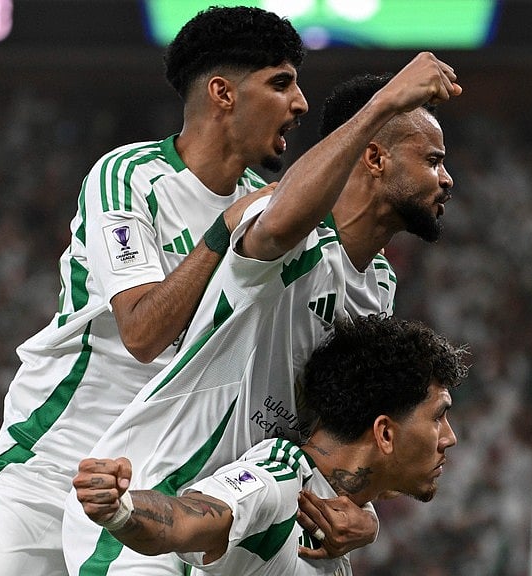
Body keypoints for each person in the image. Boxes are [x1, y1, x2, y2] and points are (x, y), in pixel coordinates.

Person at [0, 6, 308, 575]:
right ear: (223, 93)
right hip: (51, 469)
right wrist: (223, 230)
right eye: (281, 83)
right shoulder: (128, 177)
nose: (300, 102)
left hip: (154, 492)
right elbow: (141, 332)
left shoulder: (274, 216)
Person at [62, 52, 462, 576]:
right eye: (431, 160)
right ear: (374, 157)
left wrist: (363, 514)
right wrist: (386, 102)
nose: (448, 179)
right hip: (149, 502)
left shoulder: (379, 286)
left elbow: (340, 436)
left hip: (243, 512)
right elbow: (278, 226)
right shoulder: (287, 233)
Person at [74, 314, 468, 575]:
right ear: (384, 433)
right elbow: (183, 520)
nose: (449, 437)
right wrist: (119, 509)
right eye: (438, 416)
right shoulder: (282, 479)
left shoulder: (339, 524)